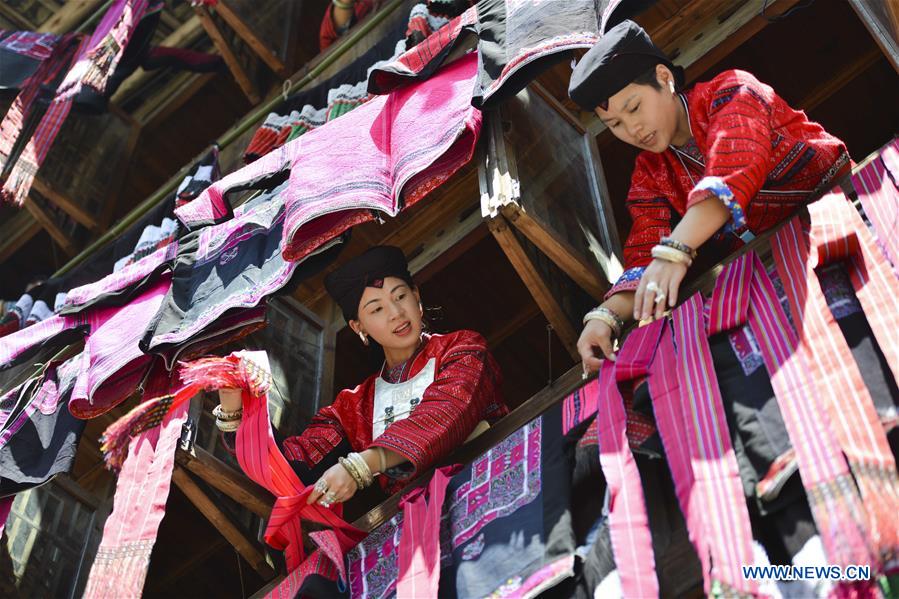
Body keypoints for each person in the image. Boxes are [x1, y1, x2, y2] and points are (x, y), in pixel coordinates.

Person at [569, 20, 850, 370]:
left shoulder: (732, 90)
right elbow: (645, 255)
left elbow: (733, 168)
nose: (633, 129)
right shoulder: (649, 173)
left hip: (845, 209)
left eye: (634, 108)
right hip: (778, 259)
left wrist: (674, 251)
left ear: (664, 77)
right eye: (615, 125)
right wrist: (605, 317)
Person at [216, 245, 508, 508]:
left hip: (494, 475)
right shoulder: (353, 408)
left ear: (416, 297)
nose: (395, 312)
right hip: (423, 519)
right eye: (377, 309)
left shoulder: (463, 348)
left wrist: (363, 466)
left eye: (401, 296)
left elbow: (447, 409)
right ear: (359, 328)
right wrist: (235, 410)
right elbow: (296, 466)